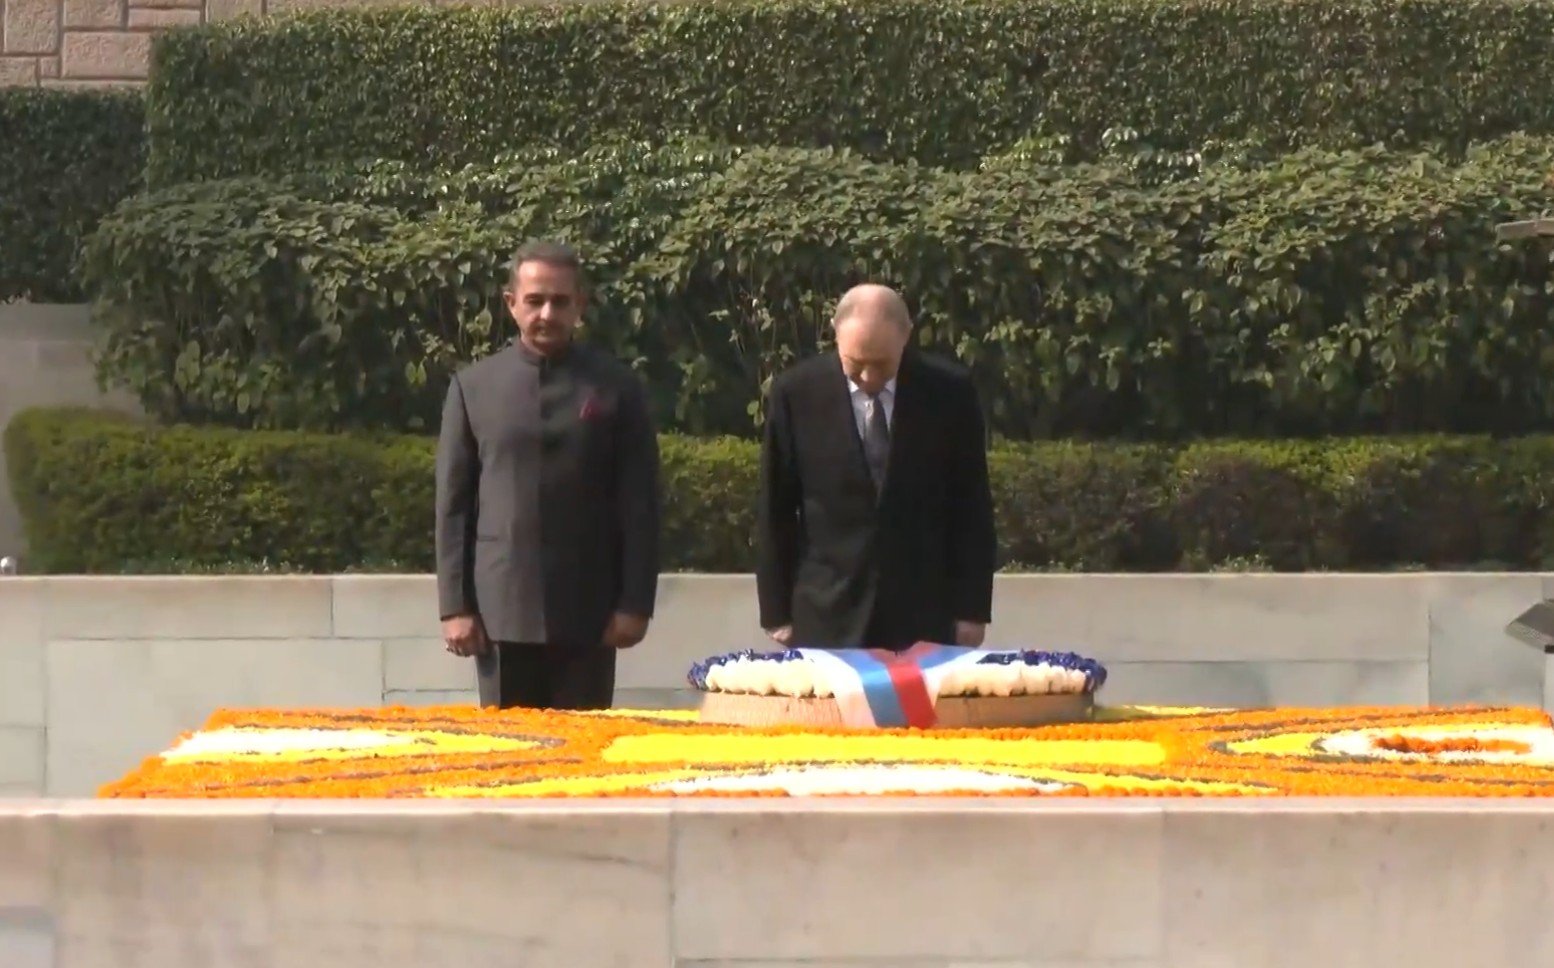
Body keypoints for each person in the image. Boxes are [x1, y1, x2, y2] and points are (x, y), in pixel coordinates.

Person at [434, 240, 661, 710]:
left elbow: (640, 505)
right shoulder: (473, 387)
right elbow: (454, 506)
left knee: (583, 768)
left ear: (580, 305)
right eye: (535, 300)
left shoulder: (617, 388)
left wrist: (635, 603)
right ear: (511, 303)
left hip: (590, 613)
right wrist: (455, 607)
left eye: (560, 301)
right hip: (500, 614)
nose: (546, 313)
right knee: (507, 762)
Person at [756, 283, 997, 651]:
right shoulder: (796, 394)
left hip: (926, 612)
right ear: (835, 336)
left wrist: (972, 609)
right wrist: (776, 612)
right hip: (826, 611)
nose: (869, 378)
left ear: (906, 336)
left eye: (882, 364)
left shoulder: (950, 393)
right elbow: (776, 507)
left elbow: (972, 505)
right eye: (856, 364)